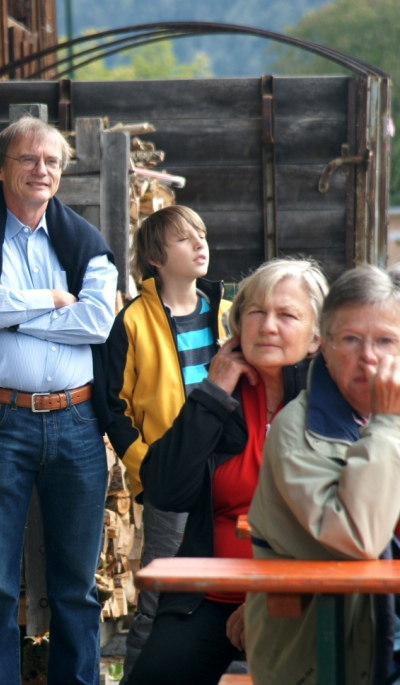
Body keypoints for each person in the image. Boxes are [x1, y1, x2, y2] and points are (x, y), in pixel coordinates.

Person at [0, 116, 118, 685]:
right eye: (28, 159)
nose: (42, 169)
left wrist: (15, 316)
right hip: (0, 422)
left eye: (53, 161)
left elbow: (98, 322)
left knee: (76, 586)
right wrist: (54, 300)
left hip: (78, 424)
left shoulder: (85, 240)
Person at [125, 258, 328, 685]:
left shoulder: (335, 406)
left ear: (316, 337)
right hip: (207, 596)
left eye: (287, 315)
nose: (267, 326)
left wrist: (266, 600)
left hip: (308, 595)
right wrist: (213, 392)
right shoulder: (218, 398)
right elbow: (165, 490)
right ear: (237, 325)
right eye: (256, 312)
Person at [245, 264, 400, 685]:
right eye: (351, 340)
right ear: (325, 348)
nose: (369, 357)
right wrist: (388, 424)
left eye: (385, 340)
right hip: (325, 655)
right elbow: (358, 538)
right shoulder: (297, 431)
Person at [103, 205, 232, 675]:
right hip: (172, 481)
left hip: (230, 476)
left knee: (238, 591)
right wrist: (151, 469)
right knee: (160, 600)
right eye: (184, 238)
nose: (200, 244)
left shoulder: (229, 316)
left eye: (201, 234)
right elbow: (114, 408)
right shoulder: (132, 322)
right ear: (156, 258)